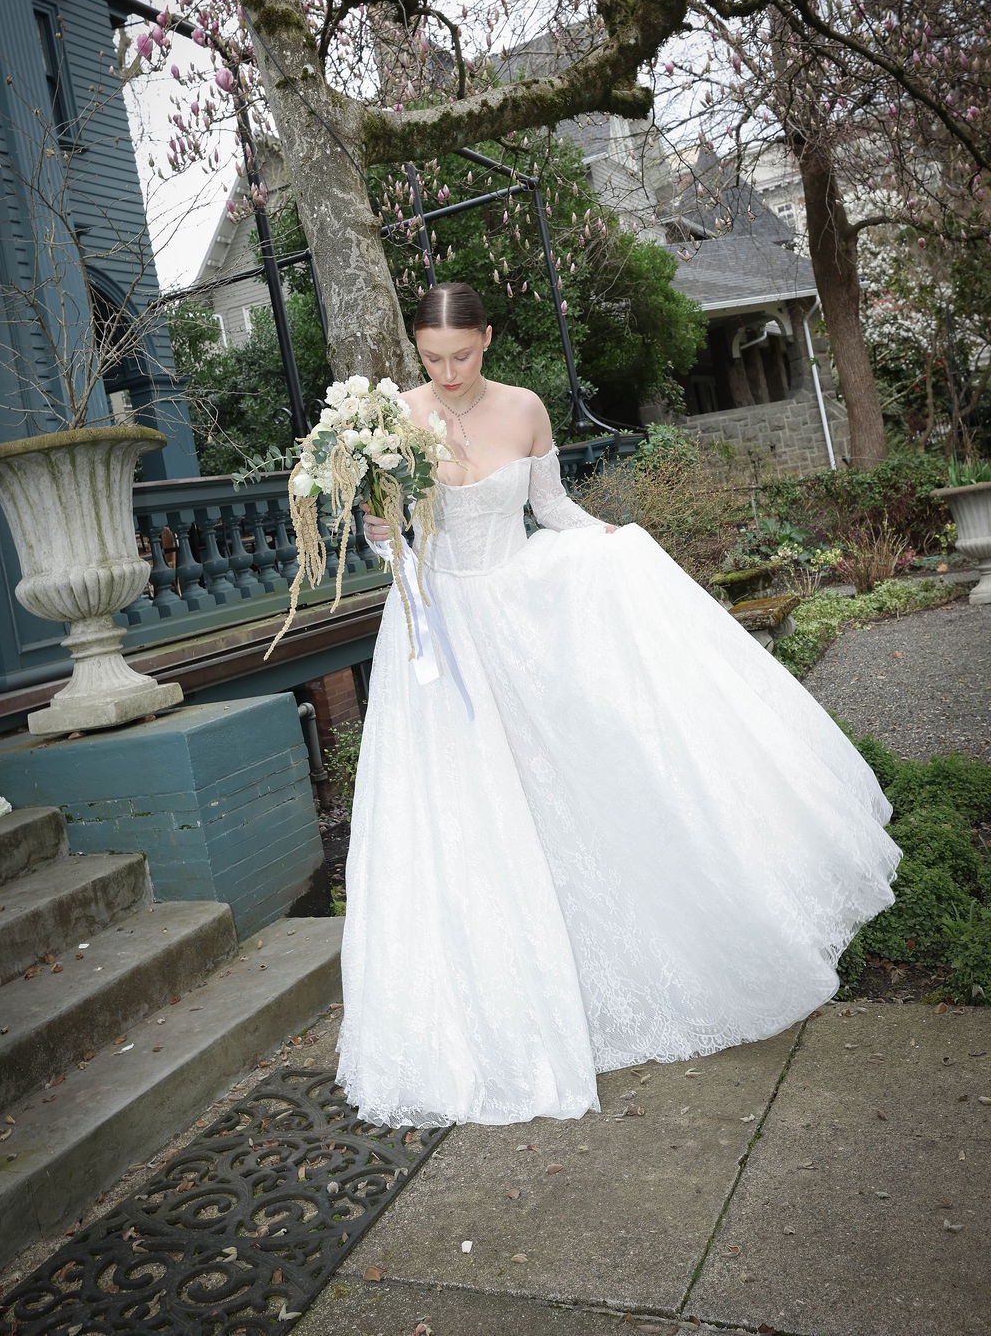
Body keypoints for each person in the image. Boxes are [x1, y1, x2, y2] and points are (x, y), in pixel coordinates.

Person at [336, 281, 899, 1128]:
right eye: (431, 357)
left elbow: (552, 510)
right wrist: (379, 529)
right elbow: (392, 536)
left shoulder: (525, 409)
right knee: (462, 810)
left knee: (566, 787)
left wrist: (615, 544)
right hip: (440, 631)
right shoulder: (388, 422)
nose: (447, 373)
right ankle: (493, 999)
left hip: (520, 615)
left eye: (461, 354)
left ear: (488, 339)